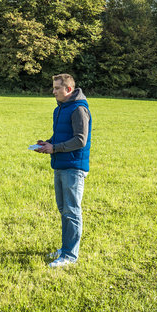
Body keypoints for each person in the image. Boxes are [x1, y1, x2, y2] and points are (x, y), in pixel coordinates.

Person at [36, 73, 91, 268]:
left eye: (57, 88)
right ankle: (66, 248)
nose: (53, 91)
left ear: (68, 89)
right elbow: (61, 135)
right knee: (64, 209)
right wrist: (48, 143)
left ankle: (70, 255)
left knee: (72, 211)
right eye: (53, 88)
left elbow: (80, 140)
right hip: (60, 164)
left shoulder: (79, 109)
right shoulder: (60, 109)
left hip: (73, 167)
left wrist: (55, 148)